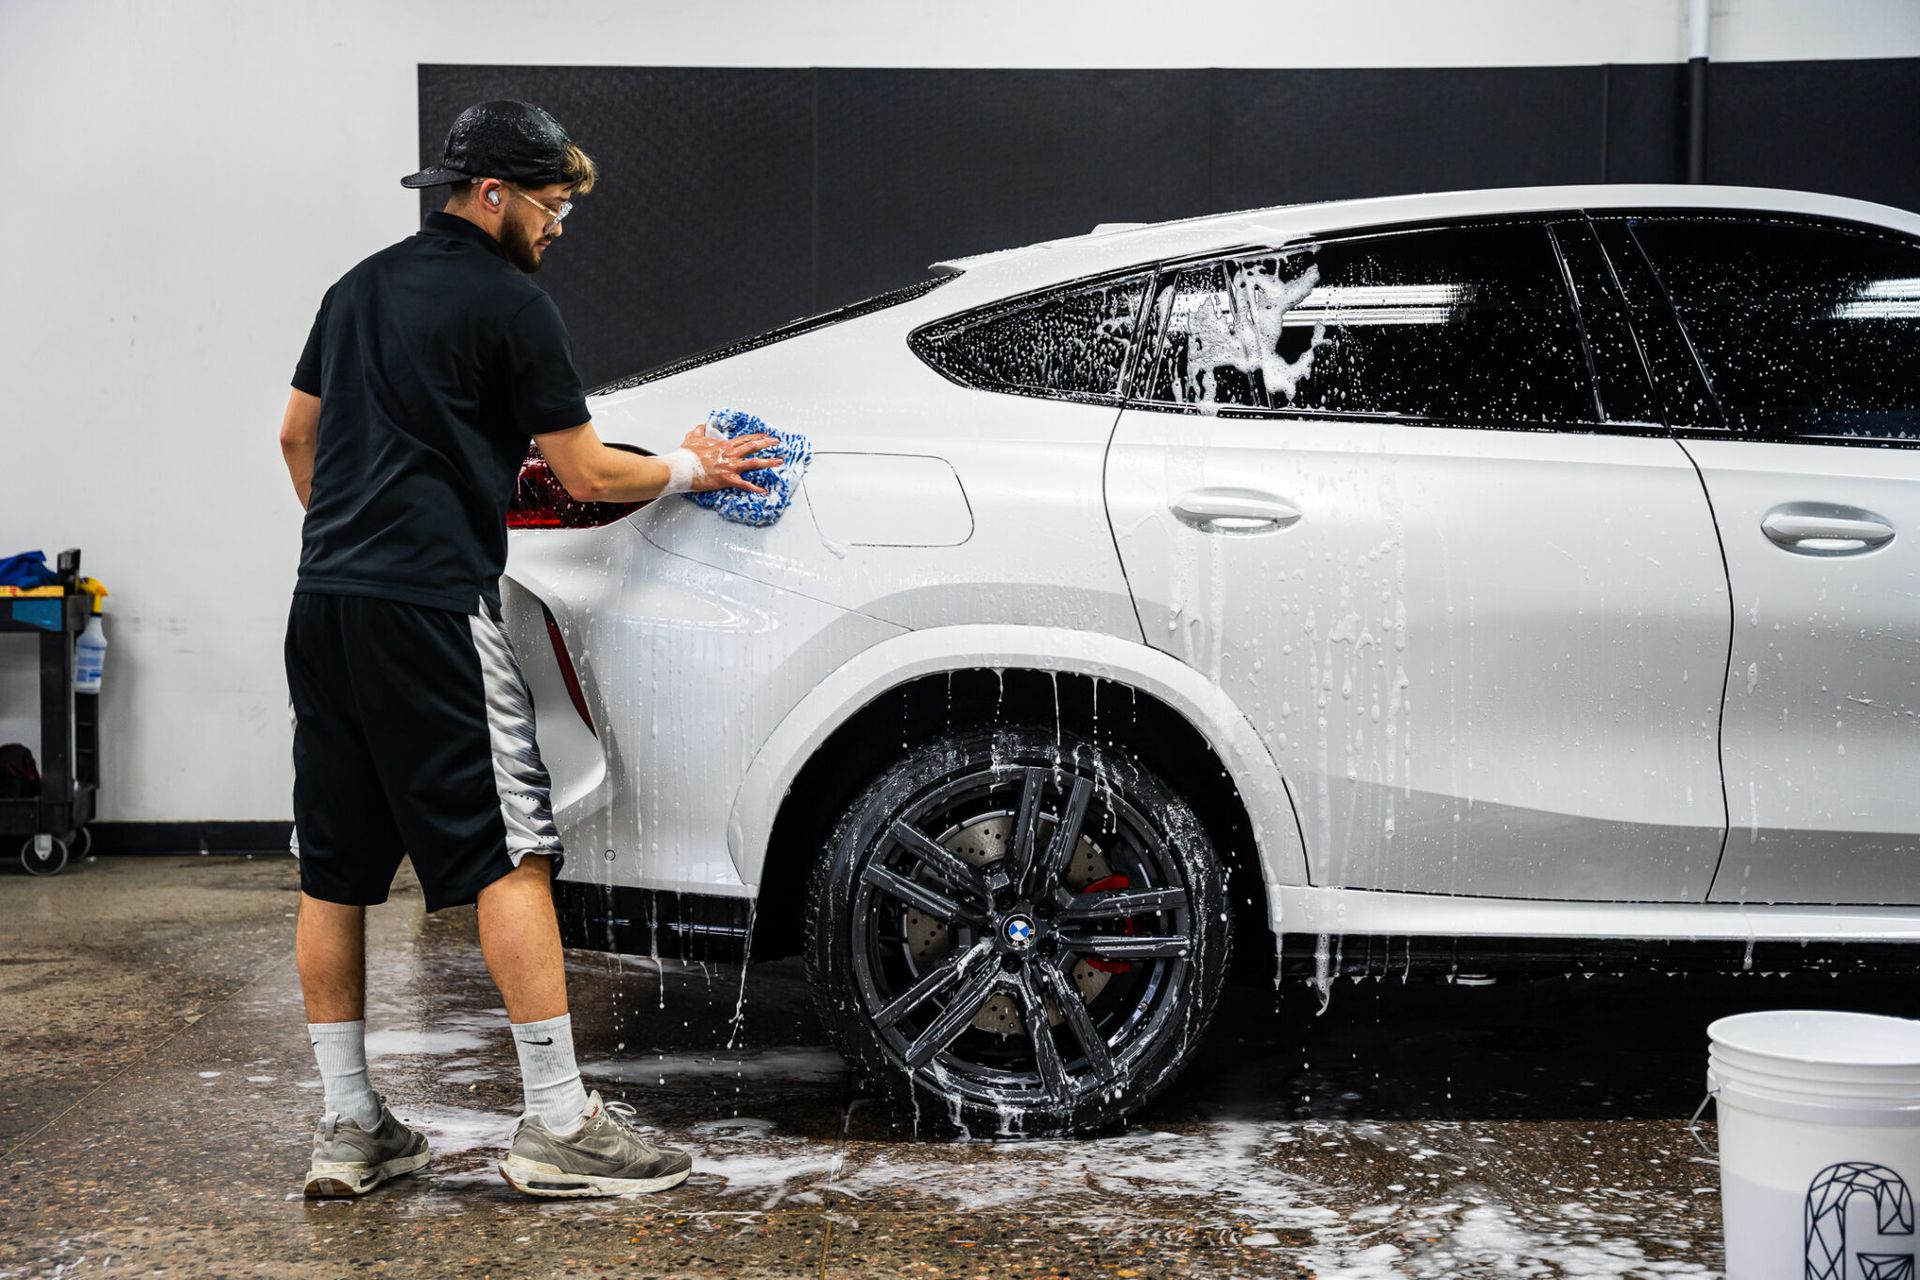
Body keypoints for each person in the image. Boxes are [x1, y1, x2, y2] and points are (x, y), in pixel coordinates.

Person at [277, 99, 780, 1199]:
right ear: (491, 194)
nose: (559, 228)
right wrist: (694, 468)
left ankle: (351, 1125)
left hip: (323, 608)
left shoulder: (354, 286)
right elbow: (592, 473)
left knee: (336, 870)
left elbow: (296, 438)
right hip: (427, 614)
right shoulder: (513, 307)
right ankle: (558, 1121)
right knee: (513, 849)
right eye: (550, 206)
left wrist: (355, 544)